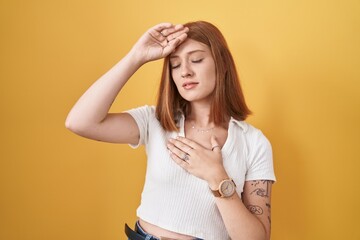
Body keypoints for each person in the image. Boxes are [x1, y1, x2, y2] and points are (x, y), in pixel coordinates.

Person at [66, 21, 276, 240]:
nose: (185, 71)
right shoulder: (155, 121)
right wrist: (136, 57)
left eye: (196, 60)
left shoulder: (253, 142)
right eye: (175, 65)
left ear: (221, 64)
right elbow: (79, 122)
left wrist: (217, 177)